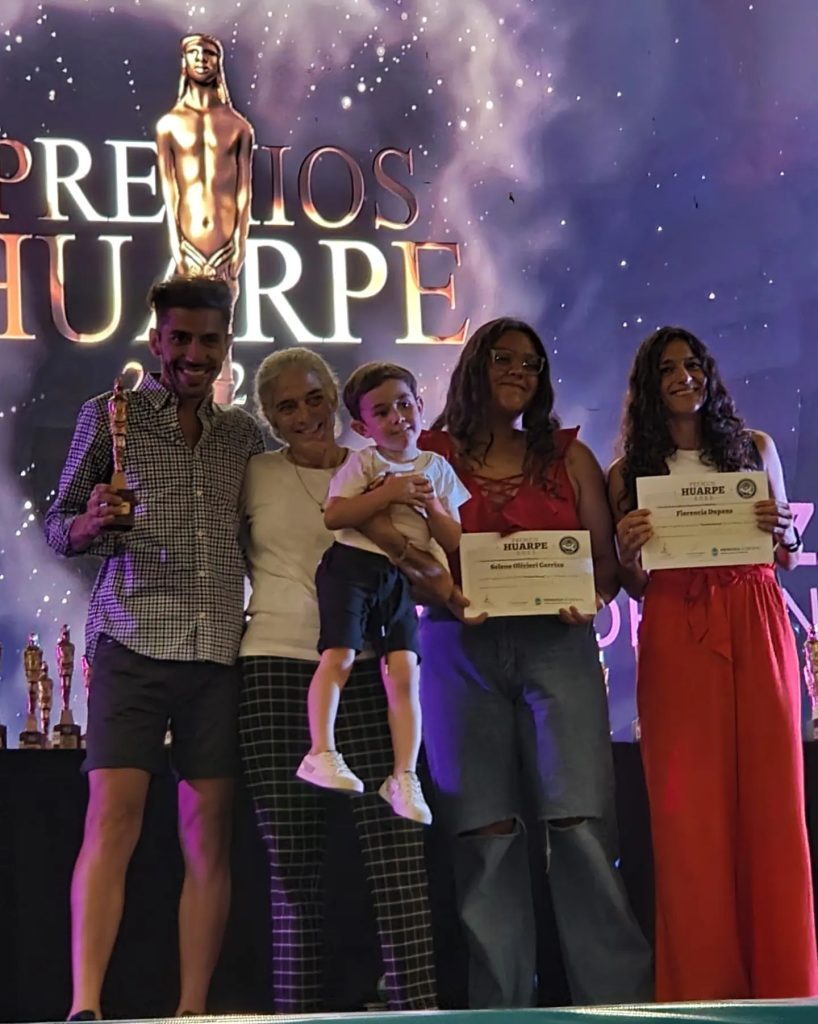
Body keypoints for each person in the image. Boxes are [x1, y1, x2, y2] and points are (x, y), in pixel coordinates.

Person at [44, 276, 265, 1020]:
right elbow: (60, 525)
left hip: (218, 653)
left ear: (226, 345)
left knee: (209, 837)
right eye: (180, 339)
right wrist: (89, 522)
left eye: (209, 341)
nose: (194, 354)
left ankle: (192, 1010)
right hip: (132, 642)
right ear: (156, 341)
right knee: (112, 821)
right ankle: (85, 1007)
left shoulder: (245, 436)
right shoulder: (110, 416)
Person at [418, 318, 652, 1008]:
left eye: (532, 363)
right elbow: (405, 560)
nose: (520, 371)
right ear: (474, 366)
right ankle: (501, 1009)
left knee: (580, 824)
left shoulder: (568, 457)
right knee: (482, 832)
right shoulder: (428, 455)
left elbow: (606, 565)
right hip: (458, 649)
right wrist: (442, 592)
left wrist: (594, 599)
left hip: (558, 645)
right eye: (504, 358)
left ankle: (616, 1005)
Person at [607, 325, 818, 1001]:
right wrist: (627, 550)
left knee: (772, 803)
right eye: (668, 368)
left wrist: (783, 528)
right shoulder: (627, 472)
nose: (684, 377)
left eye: (693, 364)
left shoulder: (755, 448)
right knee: (688, 814)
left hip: (756, 619)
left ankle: (785, 985)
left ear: (709, 374)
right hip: (676, 626)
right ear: (649, 385)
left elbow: (786, 556)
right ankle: (704, 992)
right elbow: (635, 585)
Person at [239, 348, 438, 1011]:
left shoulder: (380, 467)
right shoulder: (255, 474)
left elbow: (426, 559)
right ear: (270, 419)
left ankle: (417, 1010)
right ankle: (297, 1017)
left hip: (370, 670)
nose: (304, 415)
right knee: (292, 870)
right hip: (274, 668)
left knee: (398, 855)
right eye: (286, 407)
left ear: (336, 400)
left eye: (314, 398)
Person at [296, 362, 469, 824]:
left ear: (421, 406)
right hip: (351, 566)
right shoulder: (364, 463)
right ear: (361, 427)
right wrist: (389, 493)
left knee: (406, 671)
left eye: (404, 405)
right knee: (340, 655)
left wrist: (431, 504)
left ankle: (404, 775)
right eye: (382, 412)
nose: (397, 418)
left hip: (400, 576)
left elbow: (454, 539)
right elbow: (335, 515)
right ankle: (320, 750)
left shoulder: (437, 468)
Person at [156, 32, 254, 403]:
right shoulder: (169, 125)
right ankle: (182, 416)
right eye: (194, 52)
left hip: (225, 247)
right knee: (185, 333)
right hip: (188, 247)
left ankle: (222, 417)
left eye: (209, 53)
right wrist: (178, 246)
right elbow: (171, 191)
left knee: (220, 335)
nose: (201, 58)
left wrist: (238, 247)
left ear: (218, 62)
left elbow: (243, 192)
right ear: (185, 61)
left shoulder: (239, 126)